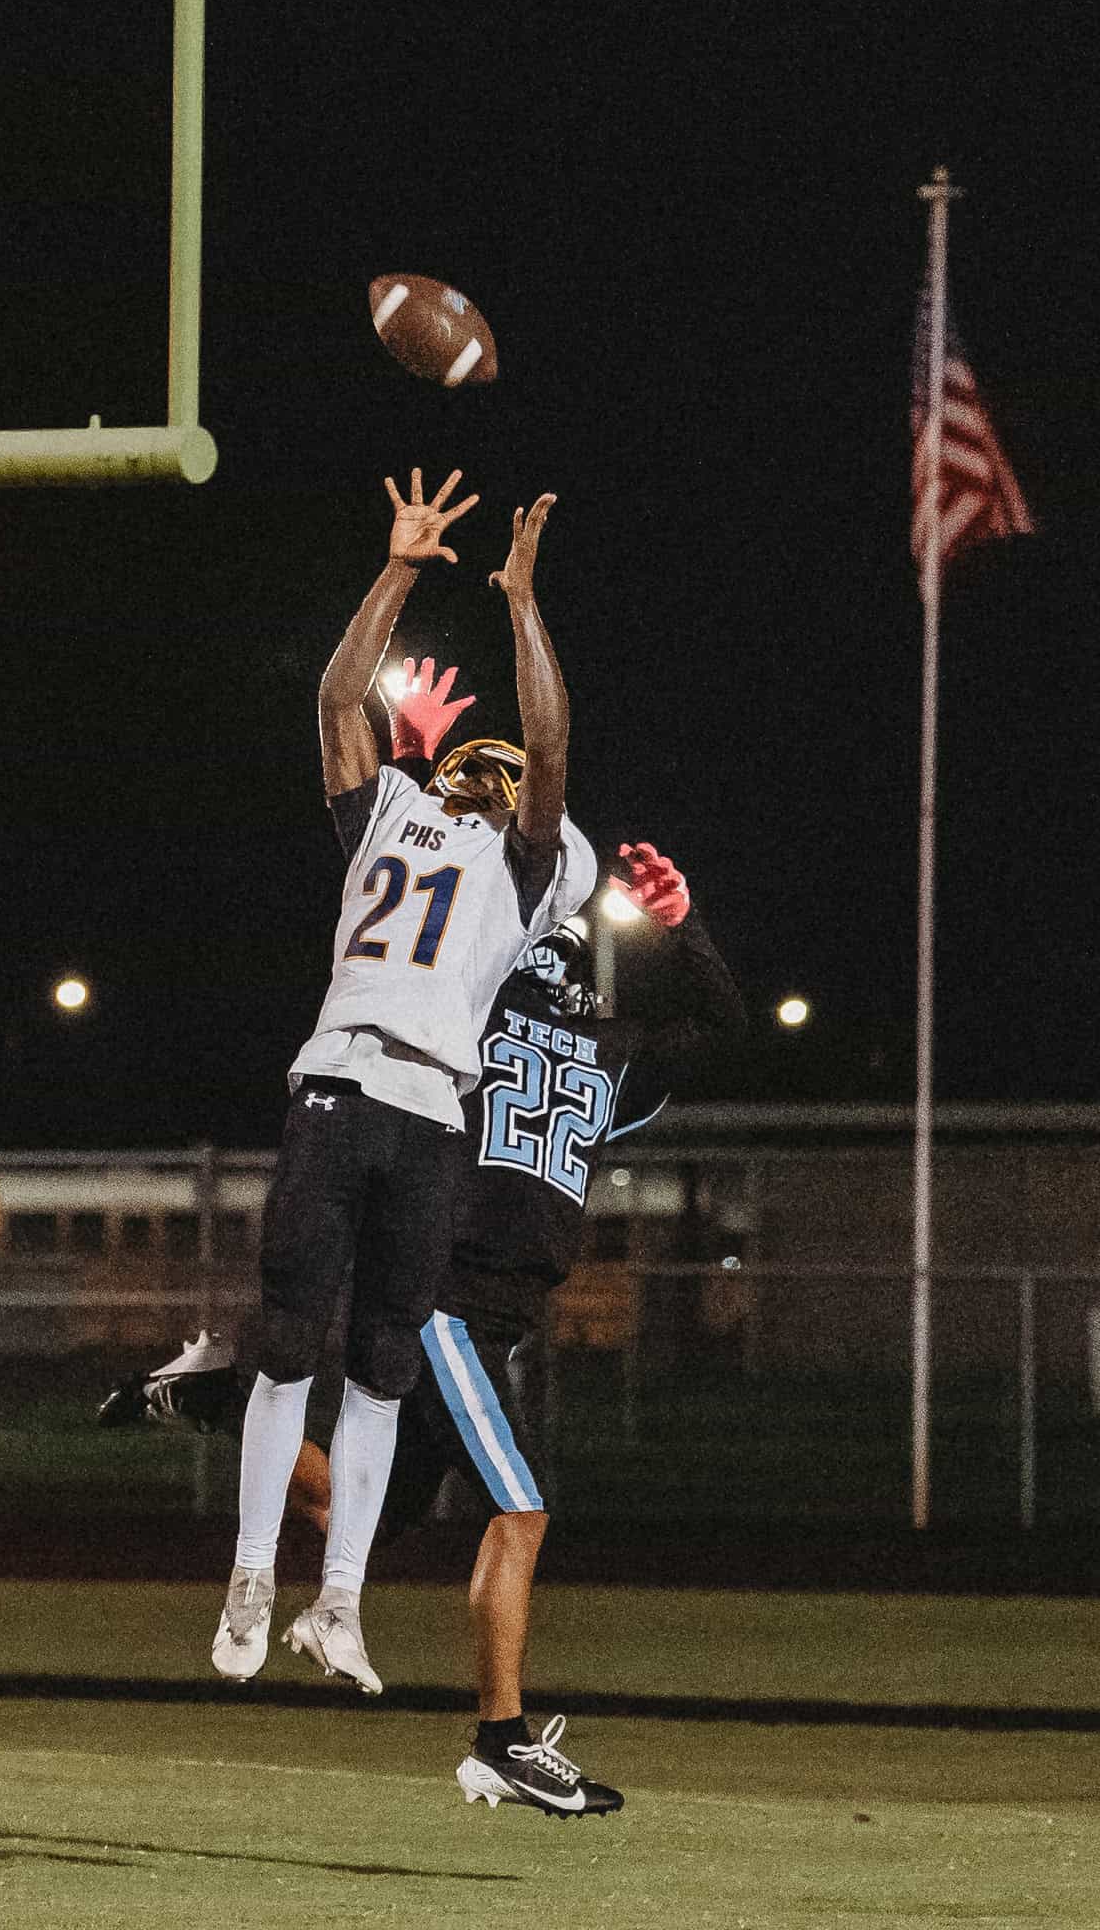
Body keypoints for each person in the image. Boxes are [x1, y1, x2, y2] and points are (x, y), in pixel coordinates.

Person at [103, 842, 745, 1815]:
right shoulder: (568, 1039)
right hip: (448, 1301)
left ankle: (226, 1395)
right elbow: (721, 1023)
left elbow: (716, 1026)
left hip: (487, 1312)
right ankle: (502, 1739)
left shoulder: (493, 1023)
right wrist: (681, 922)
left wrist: (675, 917)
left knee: (352, 1516)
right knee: (519, 1511)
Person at [211, 470, 597, 1695]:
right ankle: (251, 1571)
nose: (482, 779)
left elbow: (548, 744)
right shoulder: (387, 807)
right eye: (471, 766)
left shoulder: (525, 867)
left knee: (379, 1362)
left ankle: (339, 1605)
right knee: (288, 1341)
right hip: (340, 1078)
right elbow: (336, 696)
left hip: (429, 1104)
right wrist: (396, 571)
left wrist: (521, 604)